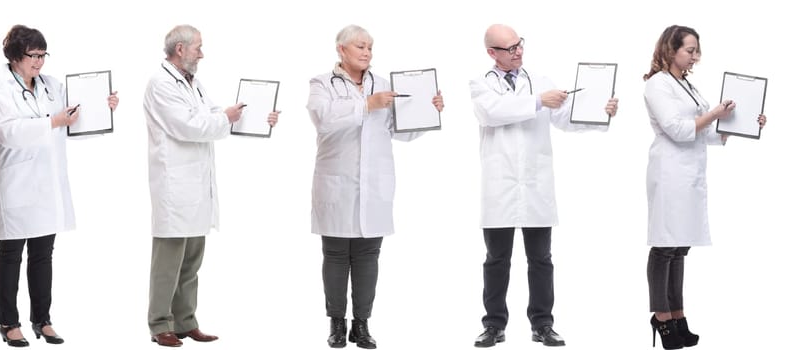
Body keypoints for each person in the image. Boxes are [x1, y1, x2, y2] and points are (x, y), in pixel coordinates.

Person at [469, 24, 619, 348]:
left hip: (535, 184)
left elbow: (565, 117)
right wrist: (538, 101)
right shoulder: (481, 85)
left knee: (541, 259)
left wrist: (600, 113)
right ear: (491, 53)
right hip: (500, 186)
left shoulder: (540, 81)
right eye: (510, 48)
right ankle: (494, 325)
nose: (518, 51)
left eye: (519, 44)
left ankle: (542, 324)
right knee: (497, 260)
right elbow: (492, 113)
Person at [306, 24, 444, 349]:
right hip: (336, 184)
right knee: (337, 256)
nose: (367, 52)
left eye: (370, 47)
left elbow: (400, 130)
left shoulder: (383, 85)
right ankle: (337, 324)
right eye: (360, 47)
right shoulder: (321, 84)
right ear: (341, 50)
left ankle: (362, 325)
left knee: (369, 256)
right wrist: (366, 104)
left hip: (376, 184)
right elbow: (323, 120)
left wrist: (428, 111)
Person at [0, 24, 119, 347]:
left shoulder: (52, 85)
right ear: (16, 56)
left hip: (48, 184)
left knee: (43, 255)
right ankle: (8, 322)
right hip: (17, 183)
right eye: (33, 55)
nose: (40, 62)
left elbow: (76, 119)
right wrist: (52, 122)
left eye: (43, 55)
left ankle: (42, 320)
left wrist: (105, 106)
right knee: (12, 254)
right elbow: (7, 133)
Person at [143, 24, 280, 347]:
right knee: (168, 262)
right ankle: (160, 323)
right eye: (198, 48)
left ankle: (185, 321)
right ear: (180, 49)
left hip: (196, 186)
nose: (201, 54)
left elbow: (213, 114)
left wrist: (257, 117)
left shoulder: (193, 82)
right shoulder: (161, 84)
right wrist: (227, 118)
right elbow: (188, 126)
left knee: (191, 261)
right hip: (175, 186)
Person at [642, 25, 766, 350]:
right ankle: (661, 318)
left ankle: (678, 316)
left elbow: (708, 134)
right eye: (690, 50)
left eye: (697, 50)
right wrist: (713, 114)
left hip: (690, 174)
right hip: (669, 172)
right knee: (664, 245)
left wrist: (741, 122)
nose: (695, 56)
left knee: (681, 247)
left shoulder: (688, 86)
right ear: (670, 50)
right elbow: (677, 128)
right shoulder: (657, 85)